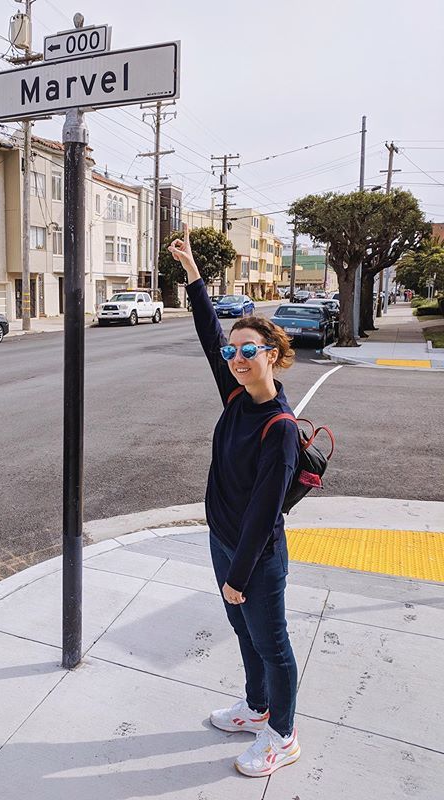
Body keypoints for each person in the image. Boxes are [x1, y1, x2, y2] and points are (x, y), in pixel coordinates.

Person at [168, 225, 301, 778]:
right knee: (243, 633)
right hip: (223, 541)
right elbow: (206, 334)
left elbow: (265, 514)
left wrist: (240, 576)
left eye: (250, 351)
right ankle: (255, 707)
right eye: (234, 351)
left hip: (256, 557)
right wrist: (195, 274)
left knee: (273, 644)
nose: (238, 358)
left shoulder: (279, 427)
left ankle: (283, 735)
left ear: (273, 356)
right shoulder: (236, 395)